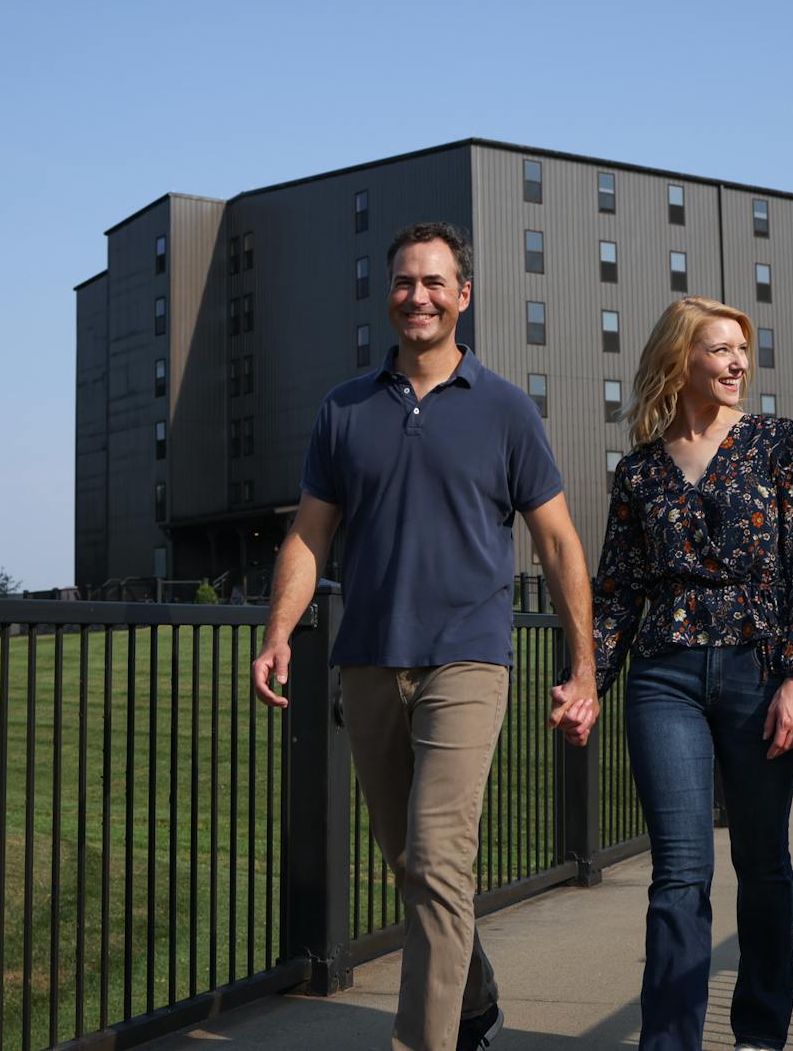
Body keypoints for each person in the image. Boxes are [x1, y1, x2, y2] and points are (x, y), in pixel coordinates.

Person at [252, 221, 598, 1051]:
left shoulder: (507, 409)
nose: (419, 296)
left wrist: (584, 664)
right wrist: (278, 633)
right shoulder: (345, 408)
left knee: (439, 860)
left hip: (468, 659)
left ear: (463, 296)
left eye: (436, 282)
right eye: (406, 282)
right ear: (391, 296)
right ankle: (472, 997)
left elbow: (557, 541)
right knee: (412, 864)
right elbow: (308, 536)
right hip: (368, 658)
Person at [592, 297, 793, 1051]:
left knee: (761, 864)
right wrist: (584, 680)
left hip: (757, 676)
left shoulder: (775, 443)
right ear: (680, 358)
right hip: (662, 680)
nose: (736, 363)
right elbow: (618, 590)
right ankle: (668, 1043)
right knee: (679, 876)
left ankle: (760, 1032)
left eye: (741, 350)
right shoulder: (638, 472)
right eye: (719, 349)